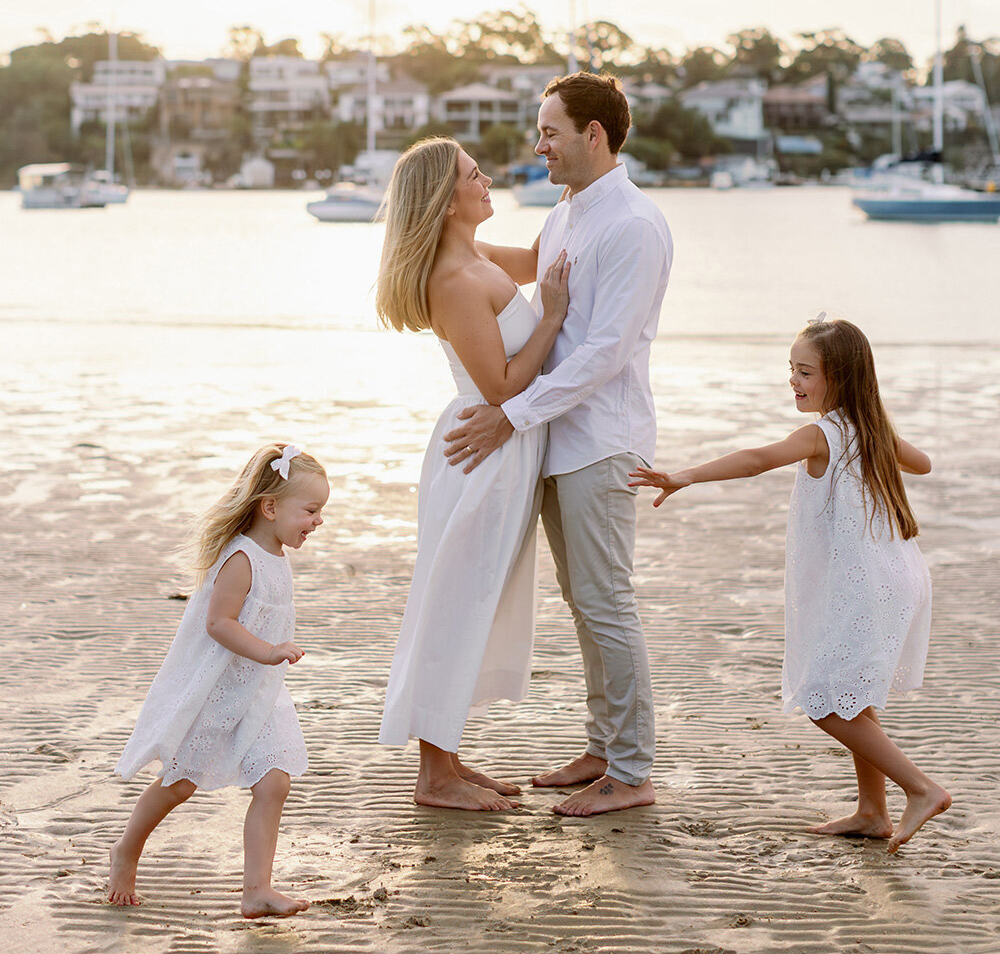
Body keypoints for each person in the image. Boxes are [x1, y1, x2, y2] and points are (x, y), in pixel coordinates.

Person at [631, 316, 951, 854]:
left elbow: (758, 459)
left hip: (865, 586)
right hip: (896, 577)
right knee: (853, 696)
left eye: (806, 372)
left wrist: (686, 475)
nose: (794, 382)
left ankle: (921, 789)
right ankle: (872, 813)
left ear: (841, 379)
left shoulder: (821, 434)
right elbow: (922, 463)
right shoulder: (869, 431)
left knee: (824, 700)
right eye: (791, 370)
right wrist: (878, 438)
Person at [443, 73, 673, 818]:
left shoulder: (634, 225)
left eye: (548, 131)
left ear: (592, 134)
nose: (537, 144)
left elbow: (607, 349)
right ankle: (603, 747)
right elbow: (529, 284)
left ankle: (632, 771)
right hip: (554, 438)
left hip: (602, 441)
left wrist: (514, 413)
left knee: (607, 604)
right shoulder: (569, 210)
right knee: (584, 603)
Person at [375, 137, 571, 811]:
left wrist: (580, 185)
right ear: (445, 198)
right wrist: (551, 319)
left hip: (505, 454)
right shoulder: (453, 280)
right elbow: (502, 384)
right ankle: (434, 776)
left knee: (473, 598)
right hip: (481, 452)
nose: (486, 179)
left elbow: (548, 254)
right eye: (471, 174)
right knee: (455, 601)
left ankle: (449, 760)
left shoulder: (478, 257)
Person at [108, 443, 328, 915]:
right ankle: (126, 851)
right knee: (181, 782)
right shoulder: (243, 558)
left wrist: (269, 659)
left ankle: (257, 892)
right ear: (270, 507)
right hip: (217, 689)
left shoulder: (275, 555)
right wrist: (270, 651)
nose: (318, 521)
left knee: (274, 781)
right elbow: (219, 624)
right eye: (310, 510)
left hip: (260, 691)